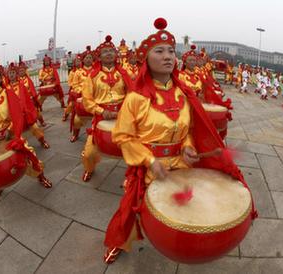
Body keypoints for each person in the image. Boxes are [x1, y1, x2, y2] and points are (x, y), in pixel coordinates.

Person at [103, 17, 257, 264]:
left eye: (171, 51)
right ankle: (121, 241)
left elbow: (188, 131)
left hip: (181, 164)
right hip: (149, 166)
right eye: (159, 51)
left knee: (195, 208)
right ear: (146, 59)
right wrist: (150, 161)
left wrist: (188, 148)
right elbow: (123, 136)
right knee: (131, 206)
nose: (168, 56)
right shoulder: (136, 98)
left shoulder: (183, 92)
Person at [0, 57, 52, 201]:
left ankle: (40, 176)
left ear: (0, 78)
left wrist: (10, 131)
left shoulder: (9, 94)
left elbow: (17, 115)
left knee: (29, 154)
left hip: (10, 136)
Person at [81, 35, 131, 182]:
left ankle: (134, 175)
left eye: (111, 51)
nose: (109, 53)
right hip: (101, 116)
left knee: (136, 147)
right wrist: (103, 111)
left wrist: (125, 110)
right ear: (100, 57)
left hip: (123, 114)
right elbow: (87, 100)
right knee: (89, 153)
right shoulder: (92, 76)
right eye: (105, 52)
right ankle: (89, 169)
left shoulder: (123, 73)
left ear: (116, 55)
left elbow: (132, 94)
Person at [6, 62, 50, 149]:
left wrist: (28, 109)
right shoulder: (6, 89)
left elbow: (27, 99)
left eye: (13, 73)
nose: (11, 75)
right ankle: (10, 146)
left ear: (16, 74)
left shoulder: (21, 85)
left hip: (25, 112)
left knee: (35, 128)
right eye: (10, 73)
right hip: (14, 116)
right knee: (9, 133)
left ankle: (42, 141)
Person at [66, 46, 94, 142]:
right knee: (77, 120)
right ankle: (75, 134)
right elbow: (74, 85)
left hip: (96, 97)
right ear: (83, 59)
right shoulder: (78, 72)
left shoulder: (97, 70)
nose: (88, 59)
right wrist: (81, 91)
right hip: (82, 96)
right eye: (86, 58)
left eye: (90, 57)